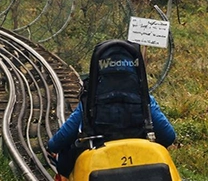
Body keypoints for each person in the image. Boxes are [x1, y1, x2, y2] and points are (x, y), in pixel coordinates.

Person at [46, 40, 176, 178]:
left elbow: (64, 135)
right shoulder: (145, 101)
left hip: (98, 163)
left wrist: (52, 147)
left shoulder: (90, 102)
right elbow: (168, 136)